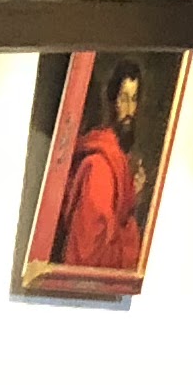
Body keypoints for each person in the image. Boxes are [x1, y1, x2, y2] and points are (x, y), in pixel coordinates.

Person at [50, 59, 154, 273]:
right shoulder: (100, 167)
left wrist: (132, 197)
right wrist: (129, 235)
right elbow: (88, 255)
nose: (129, 110)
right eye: (123, 99)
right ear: (112, 101)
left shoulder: (118, 160)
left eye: (134, 99)